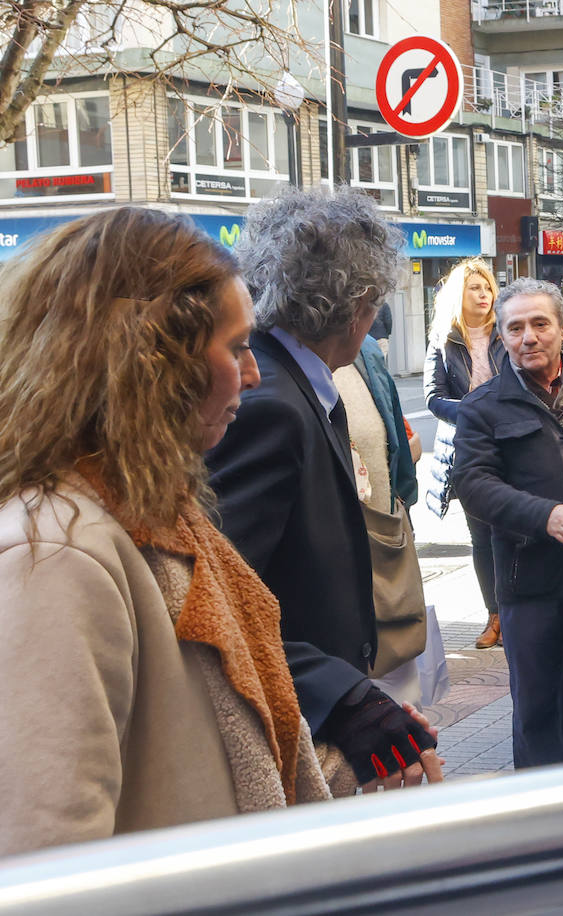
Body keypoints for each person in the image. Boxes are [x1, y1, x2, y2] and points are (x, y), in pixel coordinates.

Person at [0, 208, 351, 855]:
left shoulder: (154, 515)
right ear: (156, 358)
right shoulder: (57, 552)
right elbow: (45, 849)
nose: (251, 374)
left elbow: (205, 747)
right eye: (238, 346)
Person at [207, 187, 442, 792]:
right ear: (361, 304)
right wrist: (343, 698)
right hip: (286, 723)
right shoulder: (270, 404)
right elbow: (221, 596)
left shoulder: (296, 384)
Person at [452, 278, 563, 768]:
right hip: (531, 586)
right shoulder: (482, 406)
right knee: (538, 715)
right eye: (515, 328)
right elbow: (473, 484)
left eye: (540, 324)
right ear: (501, 337)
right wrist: (543, 515)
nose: (529, 337)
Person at [335, 331, 425, 704]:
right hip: (330, 575)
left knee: (401, 712)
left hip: (383, 549)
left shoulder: (365, 348)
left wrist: (401, 522)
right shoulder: (270, 361)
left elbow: (399, 451)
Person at [425, 258, 506, 650]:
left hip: (510, 441)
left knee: (513, 530)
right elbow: (433, 398)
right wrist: (474, 413)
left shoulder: (507, 332)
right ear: (459, 294)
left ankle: (514, 611)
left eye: (488, 287)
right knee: (481, 536)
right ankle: (494, 616)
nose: (484, 294)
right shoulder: (444, 337)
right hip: (466, 447)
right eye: (475, 287)